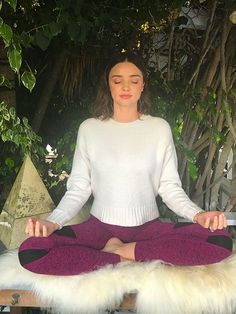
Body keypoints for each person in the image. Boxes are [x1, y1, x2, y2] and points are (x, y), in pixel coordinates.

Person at [18, 52, 232, 276]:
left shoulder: (159, 128)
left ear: (142, 86)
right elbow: (79, 189)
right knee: (32, 251)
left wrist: (198, 215)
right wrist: (53, 222)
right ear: (108, 86)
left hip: (150, 229)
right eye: (117, 80)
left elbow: (169, 188)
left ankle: (123, 251)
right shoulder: (89, 129)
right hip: (99, 229)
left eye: (134, 80)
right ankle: (125, 256)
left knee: (220, 241)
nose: (126, 87)